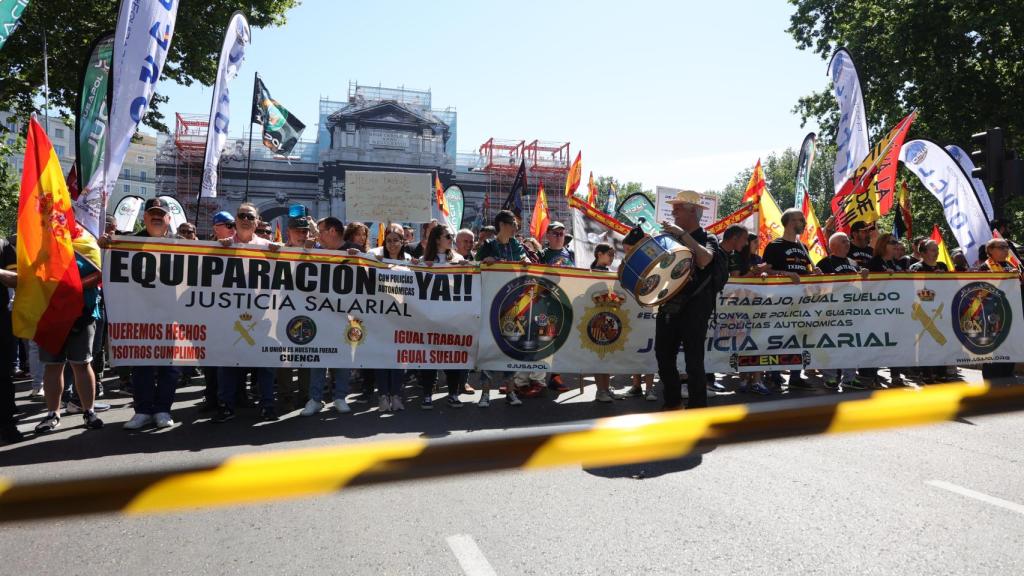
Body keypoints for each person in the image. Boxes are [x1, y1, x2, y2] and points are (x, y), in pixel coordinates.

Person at [655, 190, 723, 410]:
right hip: (669, 305)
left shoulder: (708, 237)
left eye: (677, 208)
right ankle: (673, 402)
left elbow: (704, 259)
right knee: (663, 357)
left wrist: (681, 235)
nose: (673, 212)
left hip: (695, 308)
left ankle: (697, 408)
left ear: (692, 211)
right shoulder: (669, 238)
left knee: (694, 362)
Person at [475, 210, 531, 407]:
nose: (516, 227)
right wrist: (483, 263)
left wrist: (526, 262)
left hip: (513, 305)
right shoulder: (488, 245)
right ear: (502, 225)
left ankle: (510, 391)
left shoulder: (517, 245)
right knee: (490, 347)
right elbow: (473, 268)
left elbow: (527, 262)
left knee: (511, 347)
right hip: (491, 305)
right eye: (513, 223)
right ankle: (485, 394)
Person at [761, 208, 816, 390]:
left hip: (802, 300)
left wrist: (814, 273)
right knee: (780, 337)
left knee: (800, 337)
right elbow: (765, 270)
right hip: (780, 300)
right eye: (801, 220)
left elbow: (804, 272)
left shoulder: (803, 248)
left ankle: (795, 376)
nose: (804, 224)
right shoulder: (774, 246)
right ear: (791, 222)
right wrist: (785, 274)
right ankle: (775, 376)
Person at [416, 224, 470, 409]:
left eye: (452, 236)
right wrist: (421, 267)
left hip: (452, 316)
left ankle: (453, 393)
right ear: (437, 238)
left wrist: (466, 267)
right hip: (430, 316)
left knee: (452, 356)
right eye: (448, 236)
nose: (451, 239)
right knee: (429, 357)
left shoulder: (458, 258)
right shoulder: (424, 259)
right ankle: (427, 395)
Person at [817, 232, 868, 390]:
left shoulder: (853, 262)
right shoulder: (825, 262)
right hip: (831, 310)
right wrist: (817, 276)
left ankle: (850, 377)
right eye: (844, 241)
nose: (848, 244)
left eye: (847, 241)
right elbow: (817, 288)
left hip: (851, 310)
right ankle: (830, 377)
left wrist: (864, 276)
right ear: (833, 246)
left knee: (851, 344)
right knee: (830, 343)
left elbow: (860, 286)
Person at [369, 224, 411, 412]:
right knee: (380, 358)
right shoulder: (375, 257)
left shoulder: (410, 260)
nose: (393, 244)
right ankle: (383, 397)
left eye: (396, 240)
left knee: (398, 360)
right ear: (384, 242)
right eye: (389, 240)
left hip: (402, 317)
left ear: (403, 242)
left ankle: (396, 396)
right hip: (380, 316)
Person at [975, 237, 1023, 381]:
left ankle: (1007, 375)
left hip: (1012, 313)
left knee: (1010, 347)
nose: (1006, 250)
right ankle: (992, 380)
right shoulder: (985, 268)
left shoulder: (1011, 265)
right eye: (1001, 247)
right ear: (990, 250)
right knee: (994, 350)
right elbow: (981, 291)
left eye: (1006, 247)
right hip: (993, 315)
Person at [908, 239, 949, 384]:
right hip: (923, 312)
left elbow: (950, 286)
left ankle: (941, 372)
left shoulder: (943, 266)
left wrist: (943, 280)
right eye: (933, 250)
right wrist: (932, 281)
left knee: (942, 341)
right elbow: (915, 290)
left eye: (937, 250)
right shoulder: (916, 268)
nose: (936, 253)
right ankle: (926, 374)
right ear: (923, 252)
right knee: (925, 343)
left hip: (941, 310)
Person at [0, 236, 23, 442]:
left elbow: (17, 278)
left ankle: (7, 427)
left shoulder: (3, 245)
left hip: (1, 321)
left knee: (3, 376)